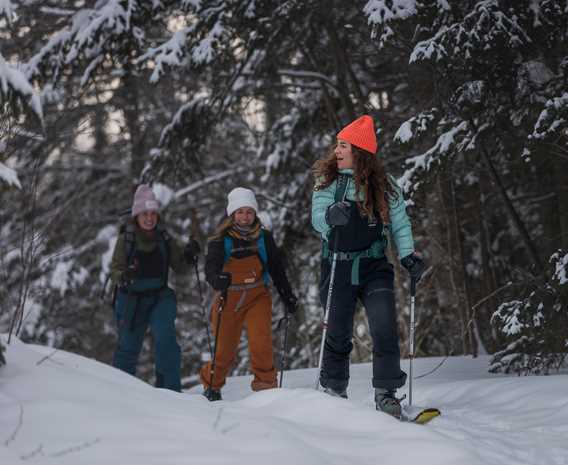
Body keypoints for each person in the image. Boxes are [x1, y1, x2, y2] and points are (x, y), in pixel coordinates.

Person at [311, 115, 425, 418]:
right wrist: (329, 218)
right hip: (338, 265)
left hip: (375, 264)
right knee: (337, 332)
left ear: (359, 151)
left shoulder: (385, 186)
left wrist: (408, 256)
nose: (336, 150)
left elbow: (400, 224)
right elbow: (317, 219)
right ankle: (334, 391)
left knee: (384, 325)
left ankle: (386, 393)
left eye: (343, 145)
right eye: (337, 144)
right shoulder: (328, 183)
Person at [199, 187, 298, 401]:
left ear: (255, 214)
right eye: (240, 212)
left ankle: (266, 387)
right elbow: (211, 267)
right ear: (232, 214)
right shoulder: (220, 239)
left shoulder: (264, 237)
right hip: (229, 298)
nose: (245, 217)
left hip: (257, 297)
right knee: (224, 350)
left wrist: (287, 296)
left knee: (260, 341)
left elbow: (276, 269)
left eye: (249, 212)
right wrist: (217, 279)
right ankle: (212, 386)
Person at [110, 184, 200, 392]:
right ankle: (120, 394)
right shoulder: (127, 240)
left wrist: (189, 255)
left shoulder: (164, 238)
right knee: (128, 349)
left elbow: (180, 267)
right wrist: (124, 276)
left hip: (160, 297)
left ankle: (170, 393)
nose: (149, 218)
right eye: (144, 214)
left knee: (166, 340)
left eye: (153, 214)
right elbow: (115, 270)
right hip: (131, 299)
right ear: (136, 215)